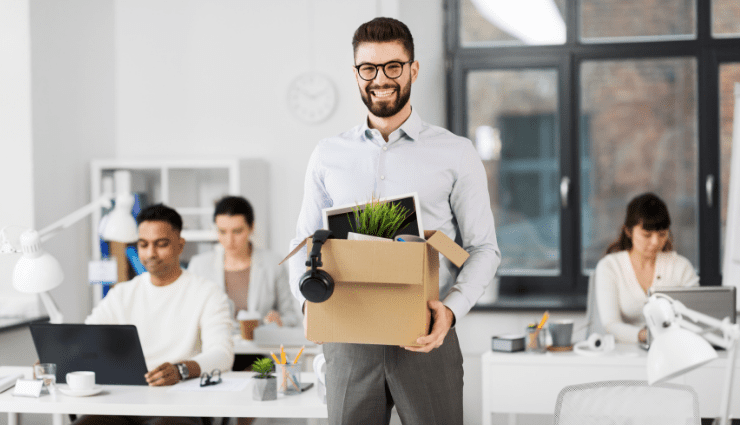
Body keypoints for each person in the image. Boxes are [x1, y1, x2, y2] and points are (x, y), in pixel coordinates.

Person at [288, 17, 500, 425]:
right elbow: (302, 241)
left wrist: (451, 311)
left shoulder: (456, 153)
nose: (380, 79)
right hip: (347, 338)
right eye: (368, 68)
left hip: (424, 334)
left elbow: (483, 250)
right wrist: (308, 309)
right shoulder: (327, 154)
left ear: (413, 70)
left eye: (392, 66)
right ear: (355, 74)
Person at [76, 204, 234, 425]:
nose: (151, 253)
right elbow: (87, 336)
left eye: (161, 244)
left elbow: (222, 354)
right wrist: (56, 358)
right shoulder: (123, 293)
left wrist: (182, 370)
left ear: (180, 245)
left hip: (182, 402)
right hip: (126, 402)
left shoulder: (207, 292)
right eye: (143, 245)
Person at [188, 195, 301, 370]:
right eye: (222, 232)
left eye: (237, 231)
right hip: (215, 354)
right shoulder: (199, 266)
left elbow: (292, 318)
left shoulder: (273, 264)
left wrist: (279, 321)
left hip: (260, 356)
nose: (229, 240)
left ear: (251, 228)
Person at [595, 192, 699, 344]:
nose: (656, 242)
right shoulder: (610, 267)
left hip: (675, 347)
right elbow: (611, 325)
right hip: (627, 352)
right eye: (647, 235)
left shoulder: (681, 267)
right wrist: (647, 336)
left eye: (662, 234)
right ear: (628, 231)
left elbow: (696, 316)